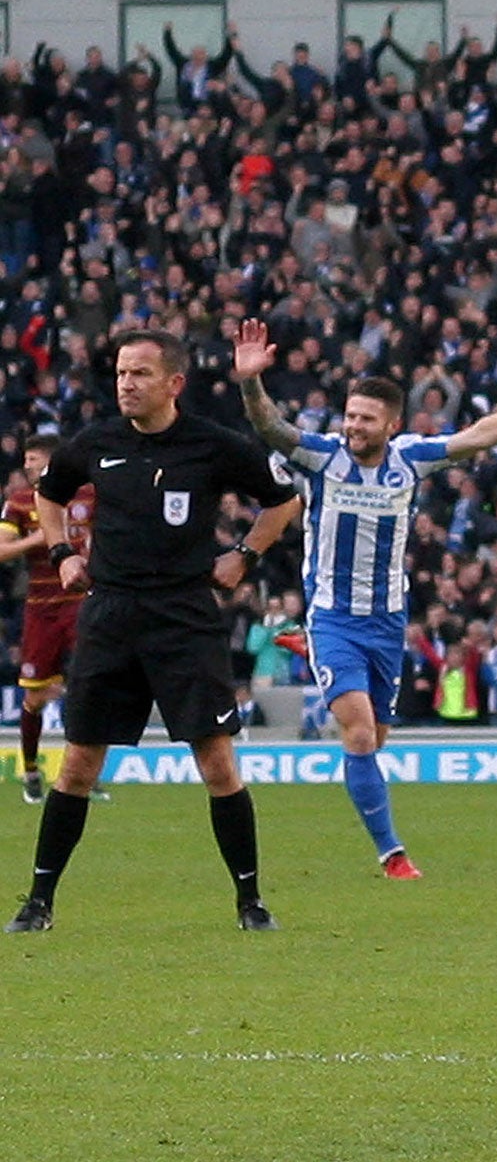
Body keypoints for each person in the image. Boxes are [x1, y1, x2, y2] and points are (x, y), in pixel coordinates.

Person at [233, 319, 497, 879]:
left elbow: (482, 435)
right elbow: (270, 427)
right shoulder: (323, 457)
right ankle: (392, 853)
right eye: (350, 416)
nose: (353, 427)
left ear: (391, 425)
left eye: (366, 419)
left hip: (388, 622)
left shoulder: (412, 459)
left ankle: (311, 656)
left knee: (379, 738)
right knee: (360, 734)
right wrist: (252, 383)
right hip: (334, 615)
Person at [6, 329, 302, 933]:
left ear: (174, 383)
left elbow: (283, 500)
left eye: (139, 373)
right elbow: (50, 494)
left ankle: (250, 903)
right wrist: (62, 549)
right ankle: (38, 903)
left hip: (184, 617)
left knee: (217, 764)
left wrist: (243, 555)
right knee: (79, 766)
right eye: (120, 373)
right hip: (111, 614)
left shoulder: (213, 445)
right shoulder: (97, 442)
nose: (126, 384)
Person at [0, 435, 95, 802]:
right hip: (40, 607)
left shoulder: (88, 495)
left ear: (52, 461)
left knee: (89, 687)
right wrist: (38, 539)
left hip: (82, 602)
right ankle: (31, 771)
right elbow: (3, 550)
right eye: (25, 458)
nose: (27, 465)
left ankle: (85, 773)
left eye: (33, 458)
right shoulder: (20, 502)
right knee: (36, 699)